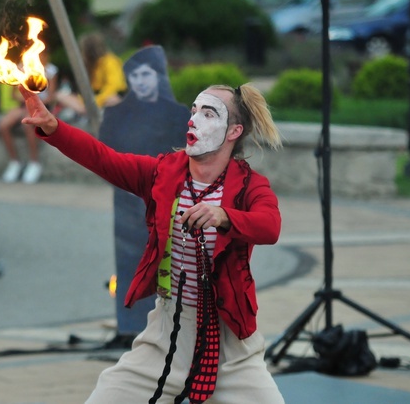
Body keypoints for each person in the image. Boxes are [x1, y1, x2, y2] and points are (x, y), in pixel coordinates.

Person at [19, 82, 285, 403]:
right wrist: (54, 129)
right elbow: (104, 159)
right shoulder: (163, 172)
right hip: (168, 330)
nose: (193, 120)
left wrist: (224, 216)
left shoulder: (250, 186)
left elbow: (270, 227)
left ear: (233, 131)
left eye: (209, 113)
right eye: (193, 110)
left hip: (231, 339)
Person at [98, 45, 191, 348]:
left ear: (159, 76)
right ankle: (130, 327)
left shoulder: (179, 115)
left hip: (167, 196)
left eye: (146, 74)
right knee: (130, 260)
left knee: (168, 261)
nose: (140, 81)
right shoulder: (117, 114)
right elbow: (106, 153)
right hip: (128, 196)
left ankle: (168, 327)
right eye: (134, 75)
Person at [0, 53, 59, 184]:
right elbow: (14, 95)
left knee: (28, 124)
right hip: (24, 105)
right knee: (3, 125)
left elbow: (51, 96)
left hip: (41, 106)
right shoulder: (22, 69)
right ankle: (15, 162)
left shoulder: (50, 71)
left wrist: (36, 101)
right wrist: (27, 98)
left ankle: (34, 162)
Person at [55, 32, 126, 119]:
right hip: (94, 99)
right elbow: (89, 90)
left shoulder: (109, 61)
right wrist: (83, 100)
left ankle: (88, 111)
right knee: (59, 95)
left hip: (110, 96)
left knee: (112, 99)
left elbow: (113, 86)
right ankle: (86, 111)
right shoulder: (91, 66)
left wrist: (96, 102)